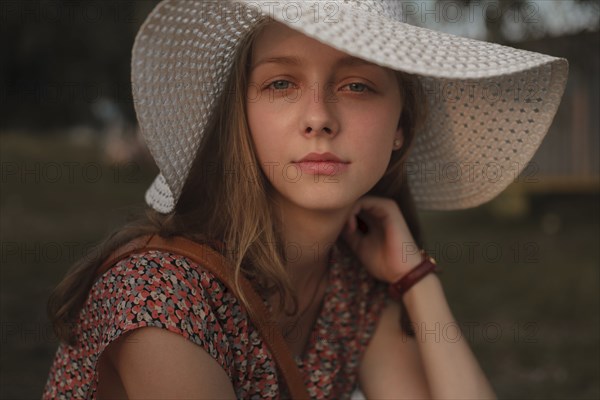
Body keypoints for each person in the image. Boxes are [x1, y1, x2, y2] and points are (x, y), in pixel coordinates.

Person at [43, 0, 568, 398]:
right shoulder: (160, 295)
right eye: (280, 84)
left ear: (400, 128)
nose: (318, 116)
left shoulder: (348, 284)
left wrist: (414, 277)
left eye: (357, 85)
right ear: (242, 120)